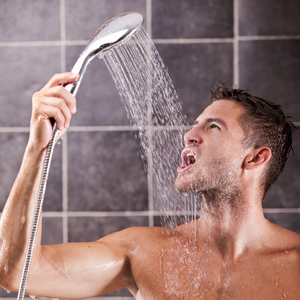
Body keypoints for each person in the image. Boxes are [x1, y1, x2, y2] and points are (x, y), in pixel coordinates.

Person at [0, 72, 299, 299]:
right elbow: (17, 272)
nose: (189, 135)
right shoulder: (144, 252)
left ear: (256, 157)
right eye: (195, 125)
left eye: (213, 126)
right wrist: (38, 149)